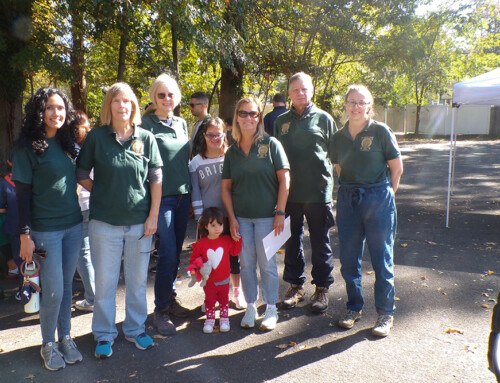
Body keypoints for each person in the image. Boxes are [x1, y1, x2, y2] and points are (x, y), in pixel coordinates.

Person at [77, 82, 163, 358]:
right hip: (104, 224)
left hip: (140, 223)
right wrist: (102, 192)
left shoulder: (146, 138)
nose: (122, 106)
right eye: (116, 101)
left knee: (137, 282)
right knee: (105, 283)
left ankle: (136, 330)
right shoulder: (96, 137)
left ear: (134, 106)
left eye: (127, 101)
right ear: (109, 106)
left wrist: (153, 216)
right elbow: (81, 174)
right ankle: (104, 334)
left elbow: (156, 179)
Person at [12, 87, 83, 371]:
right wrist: (24, 235)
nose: (57, 113)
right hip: (45, 231)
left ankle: (65, 337)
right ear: (39, 112)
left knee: (66, 288)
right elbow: (21, 197)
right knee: (52, 291)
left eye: (61, 108)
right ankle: (47, 343)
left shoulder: (68, 144)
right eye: (50, 108)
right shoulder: (26, 149)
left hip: (74, 225)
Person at [330, 84, 403, 337]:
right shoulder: (338, 136)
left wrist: (386, 195)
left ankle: (385, 313)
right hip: (349, 198)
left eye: (361, 102)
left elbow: (396, 167)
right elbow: (339, 168)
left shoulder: (381, 131)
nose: (356, 107)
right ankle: (354, 307)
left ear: (369, 105)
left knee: (381, 258)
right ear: (346, 104)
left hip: (378, 197)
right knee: (349, 259)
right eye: (352, 101)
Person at [222, 97, 290, 331]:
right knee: (247, 263)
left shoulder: (271, 144)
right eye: (243, 113)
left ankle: (270, 308)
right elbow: (226, 188)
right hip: (241, 218)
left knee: (268, 264)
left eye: (253, 113)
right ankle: (251, 306)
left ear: (259, 117)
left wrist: (280, 212)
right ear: (236, 118)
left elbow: (285, 180)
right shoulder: (232, 152)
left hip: (268, 217)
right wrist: (231, 219)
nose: (248, 118)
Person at [274, 72, 336, 313]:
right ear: (289, 93)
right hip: (289, 194)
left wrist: (332, 189)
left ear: (312, 91)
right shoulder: (281, 122)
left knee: (320, 242)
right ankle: (295, 286)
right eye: (295, 89)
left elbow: (336, 156)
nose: (300, 93)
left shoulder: (324, 119)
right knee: (291, 242)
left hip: (318, 193)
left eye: (304, 89)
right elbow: (276, 158)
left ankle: (322, 288)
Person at [142, 74, 191, 336]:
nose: (166, 99)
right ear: (154, 98)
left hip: (183, 196)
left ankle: (169, 298)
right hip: (161, 199)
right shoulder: (146, 125)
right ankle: (159, 312)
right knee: (168, 253)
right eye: (161, 95)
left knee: (176, 255)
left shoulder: (182, 123)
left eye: (171, 94)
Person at [189, 117, 246, 310]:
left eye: (218, 134)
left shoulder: (232, 156)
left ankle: (237, 292)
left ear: (224, 134)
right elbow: (195, 190)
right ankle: (210, 297)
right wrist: (200, 218)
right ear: (204, 136)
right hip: (209, 220)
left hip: (231, 216)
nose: (214, 138)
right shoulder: (196, 162)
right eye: (210, 135)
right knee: (209, 259)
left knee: (233, 256)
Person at [189, 207, 242, 333]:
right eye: (213, 225)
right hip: (208, 281)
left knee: (224, 300)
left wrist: (237, 240)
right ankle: (210, 319)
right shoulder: (201, 243)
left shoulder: (226, 240)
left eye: (220, 224)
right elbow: (194, 259)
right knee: (210, 300)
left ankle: (224, 318)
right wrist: (195, 268)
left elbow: (234, 252)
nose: (217, 228)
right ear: (206, 226)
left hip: (224, 279)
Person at [72, 111, 95, 312]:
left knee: (83, 253)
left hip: (79, 205)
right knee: (90, 251)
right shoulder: (92, 146)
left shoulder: (71, 150)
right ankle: (95, 294)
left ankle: (92, 297)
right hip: (92, 204)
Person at [0, 152, 21, 280]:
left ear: (9, 162)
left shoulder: (4, 182)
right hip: (37, 225)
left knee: (20, 259)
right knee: (41, 257)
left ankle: (25, 290)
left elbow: (1, 208)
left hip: (15, 226)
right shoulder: (35, 177)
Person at [189, 91, 211, 159]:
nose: (190, 108)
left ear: (202, 106)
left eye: (192, 105)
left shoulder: (209, 125)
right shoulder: (198, 124)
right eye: (190, 105)